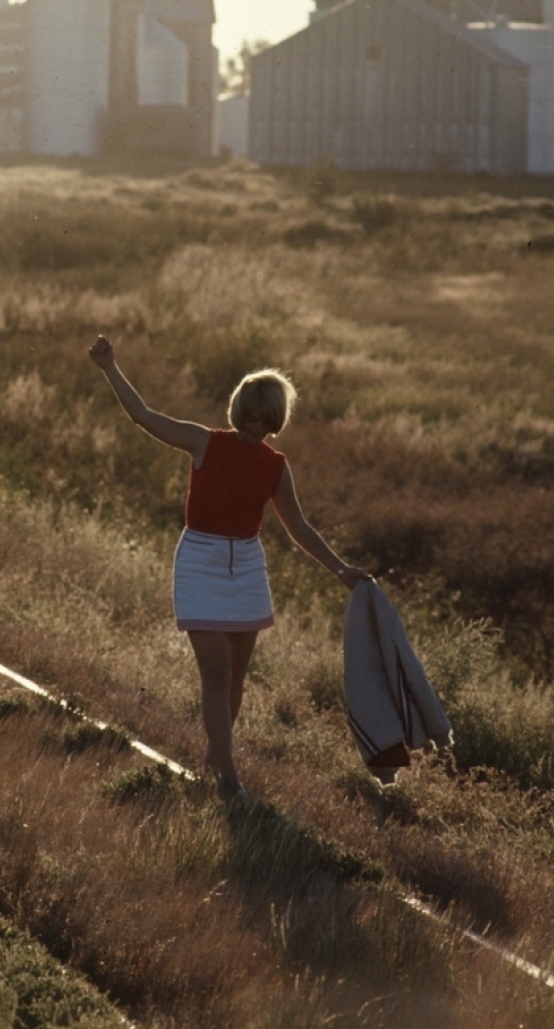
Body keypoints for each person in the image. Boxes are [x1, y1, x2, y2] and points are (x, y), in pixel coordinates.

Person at [89, 334, 369, 797]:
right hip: (200, 562)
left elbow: (299, 527)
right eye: (251, 416)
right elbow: (144, 417)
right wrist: (109, 367)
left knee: (236, 679)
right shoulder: (204, 443)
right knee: (216, 677)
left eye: (266, 419)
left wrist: (342, 571)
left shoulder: (276, 466)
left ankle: (212, 762)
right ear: (240, 410)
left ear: (277, 419)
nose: (256, 425)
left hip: (248, 570)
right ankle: (231, 781)